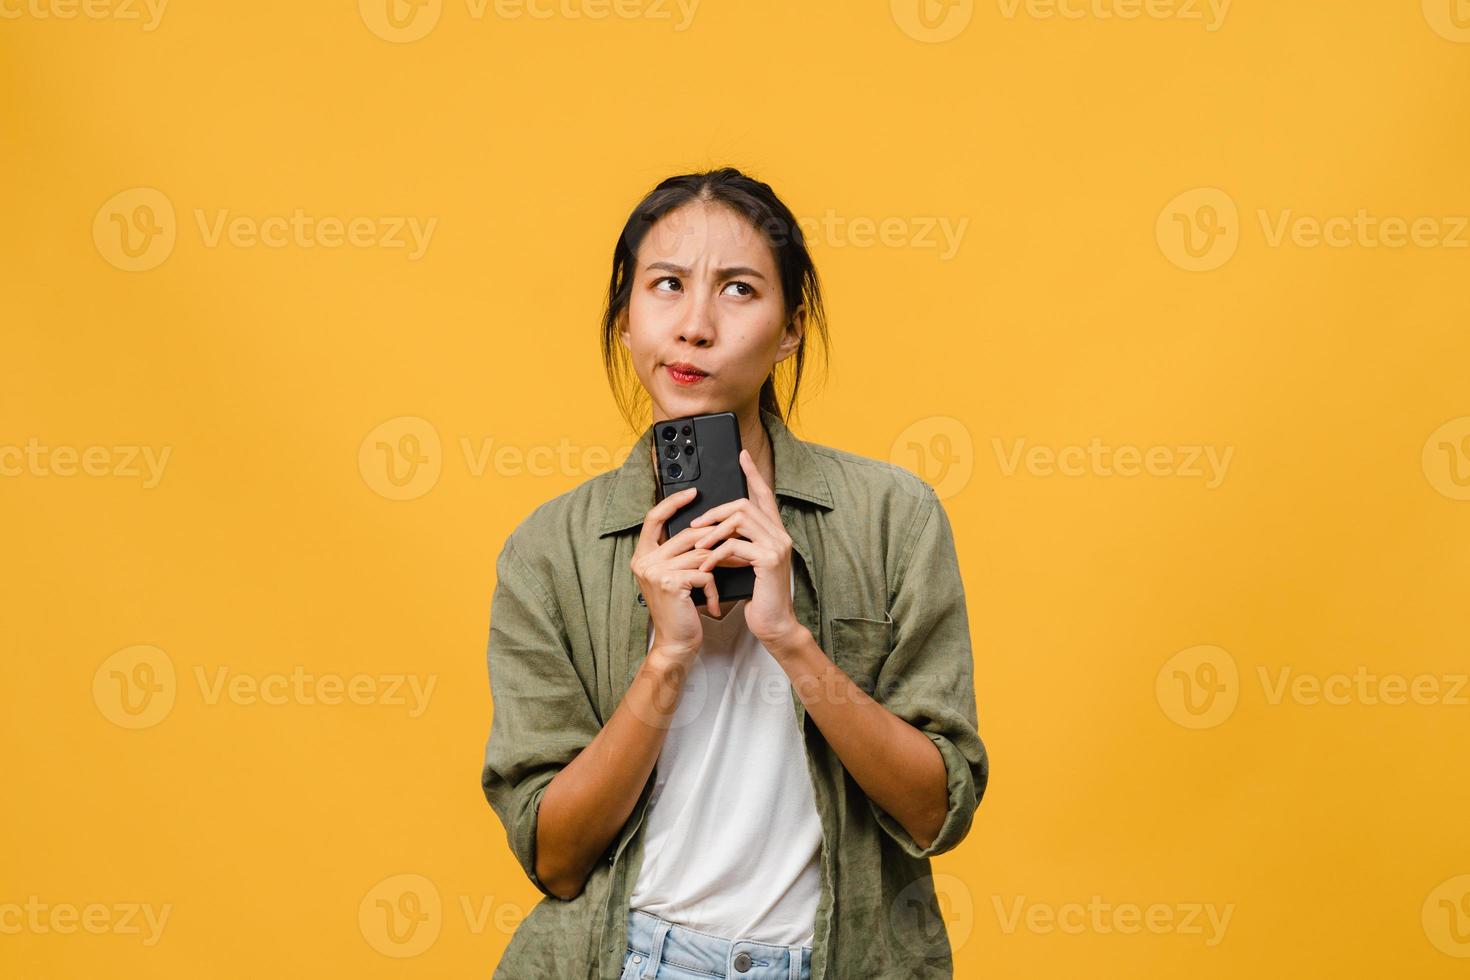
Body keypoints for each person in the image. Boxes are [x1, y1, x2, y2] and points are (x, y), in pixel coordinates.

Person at [482, 166, 988, 979]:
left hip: (837, 961)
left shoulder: (894, 517)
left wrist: (789, 639)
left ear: (790, 328)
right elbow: (556, 857)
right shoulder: (549, 551)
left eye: (740, 290)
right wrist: (668, 656)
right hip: (632, 958)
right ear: (624, 318)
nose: (694, 325)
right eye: (668, 285)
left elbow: (936, 811)